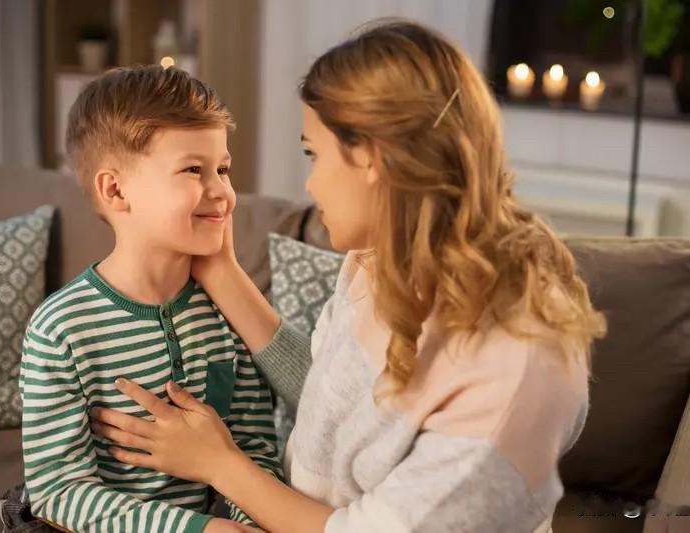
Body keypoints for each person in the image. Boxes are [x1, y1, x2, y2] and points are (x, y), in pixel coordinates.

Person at [91, 20, 606, 533]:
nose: (310, 185)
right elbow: (333, 402)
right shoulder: (382, 260)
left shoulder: (513, 367)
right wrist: (222, 272)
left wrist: (218, 465)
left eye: (313, 154)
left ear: (372, 157)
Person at [18, 65, 280, 532]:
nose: (222, 192)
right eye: (193, 170)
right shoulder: (60, 329)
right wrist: (203, 530)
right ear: (116, 190)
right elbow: (58, 491)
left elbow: (255, 452)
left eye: (223, 169)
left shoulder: (229, 314)